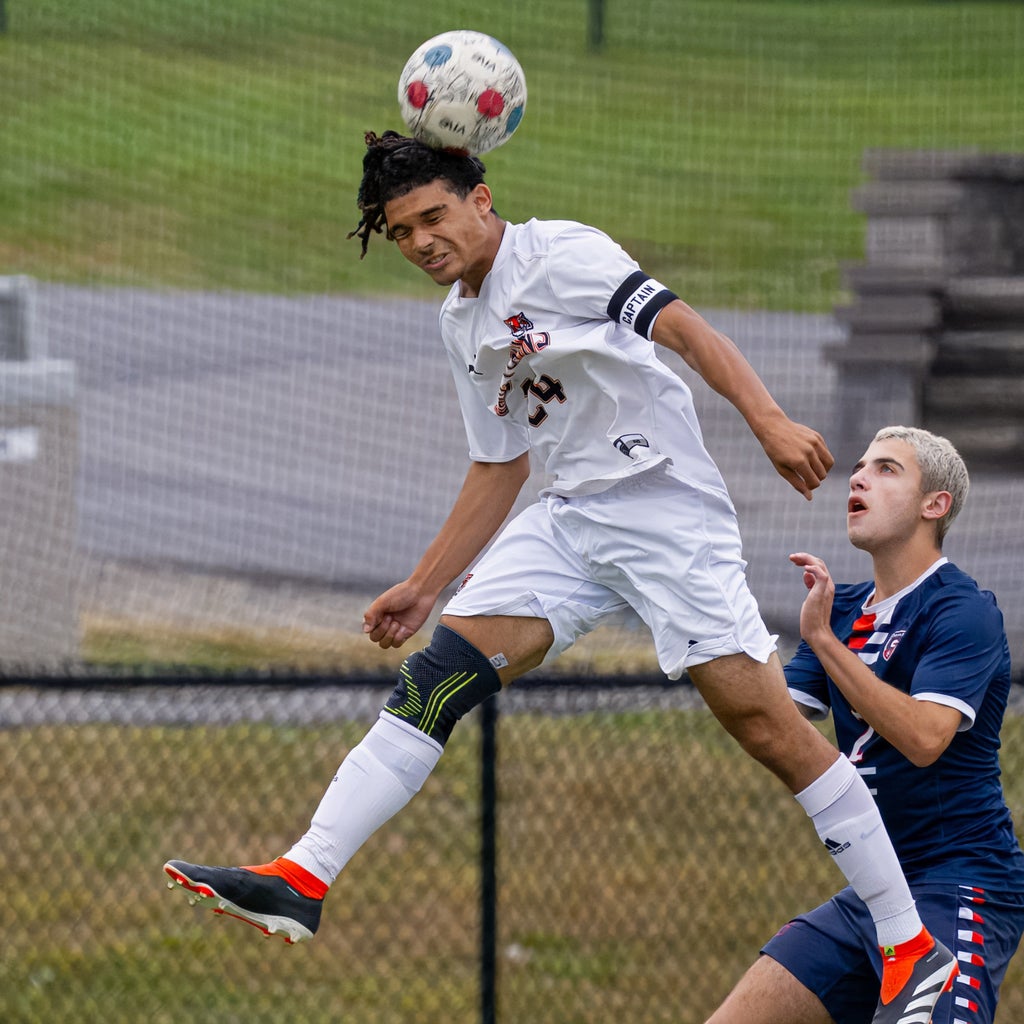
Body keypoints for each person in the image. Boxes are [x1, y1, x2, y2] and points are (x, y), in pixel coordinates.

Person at [164, 132, 956, 1022]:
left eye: (434, 216)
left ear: (482, 200)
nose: (423, 240)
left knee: (769, 728)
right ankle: (304, 874)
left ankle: (908, 941)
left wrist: (769, 422)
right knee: (436, 676)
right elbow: (499, 465)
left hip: (665, 511)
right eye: (402, 231)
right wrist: (427, 587)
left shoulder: (564, 255)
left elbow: (687, 330)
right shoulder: (459, 322)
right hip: (573, 520)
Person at [707, 426, 1024, 1024]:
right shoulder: (842, 607)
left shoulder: (963, 610)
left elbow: (926, 738)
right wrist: (703, 617)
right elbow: (770, 719)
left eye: (885, 469)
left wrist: (824, 642)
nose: (856, 478)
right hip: (877, 892)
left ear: (935, 505)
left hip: (962, 886)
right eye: (858, 468)